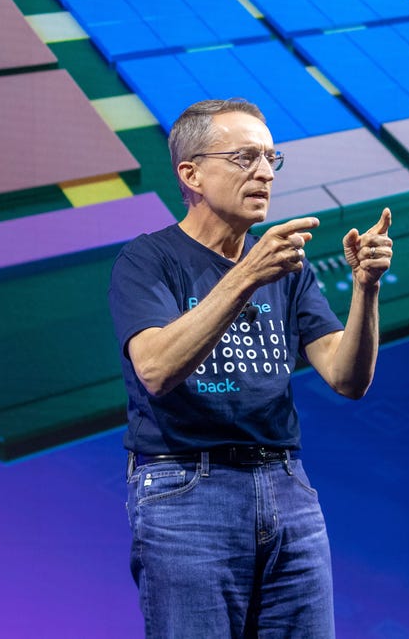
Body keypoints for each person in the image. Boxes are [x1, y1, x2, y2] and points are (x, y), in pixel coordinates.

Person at [108, 98, 393, 637]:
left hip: (287, 486)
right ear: (190, 173)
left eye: (270, 158)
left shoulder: (284, 265)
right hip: (185, 489)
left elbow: (346, 378)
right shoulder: (148, 260)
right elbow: (156, 369)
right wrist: (245, 277)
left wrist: (366, 289)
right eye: (244, 158)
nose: (264, 172)